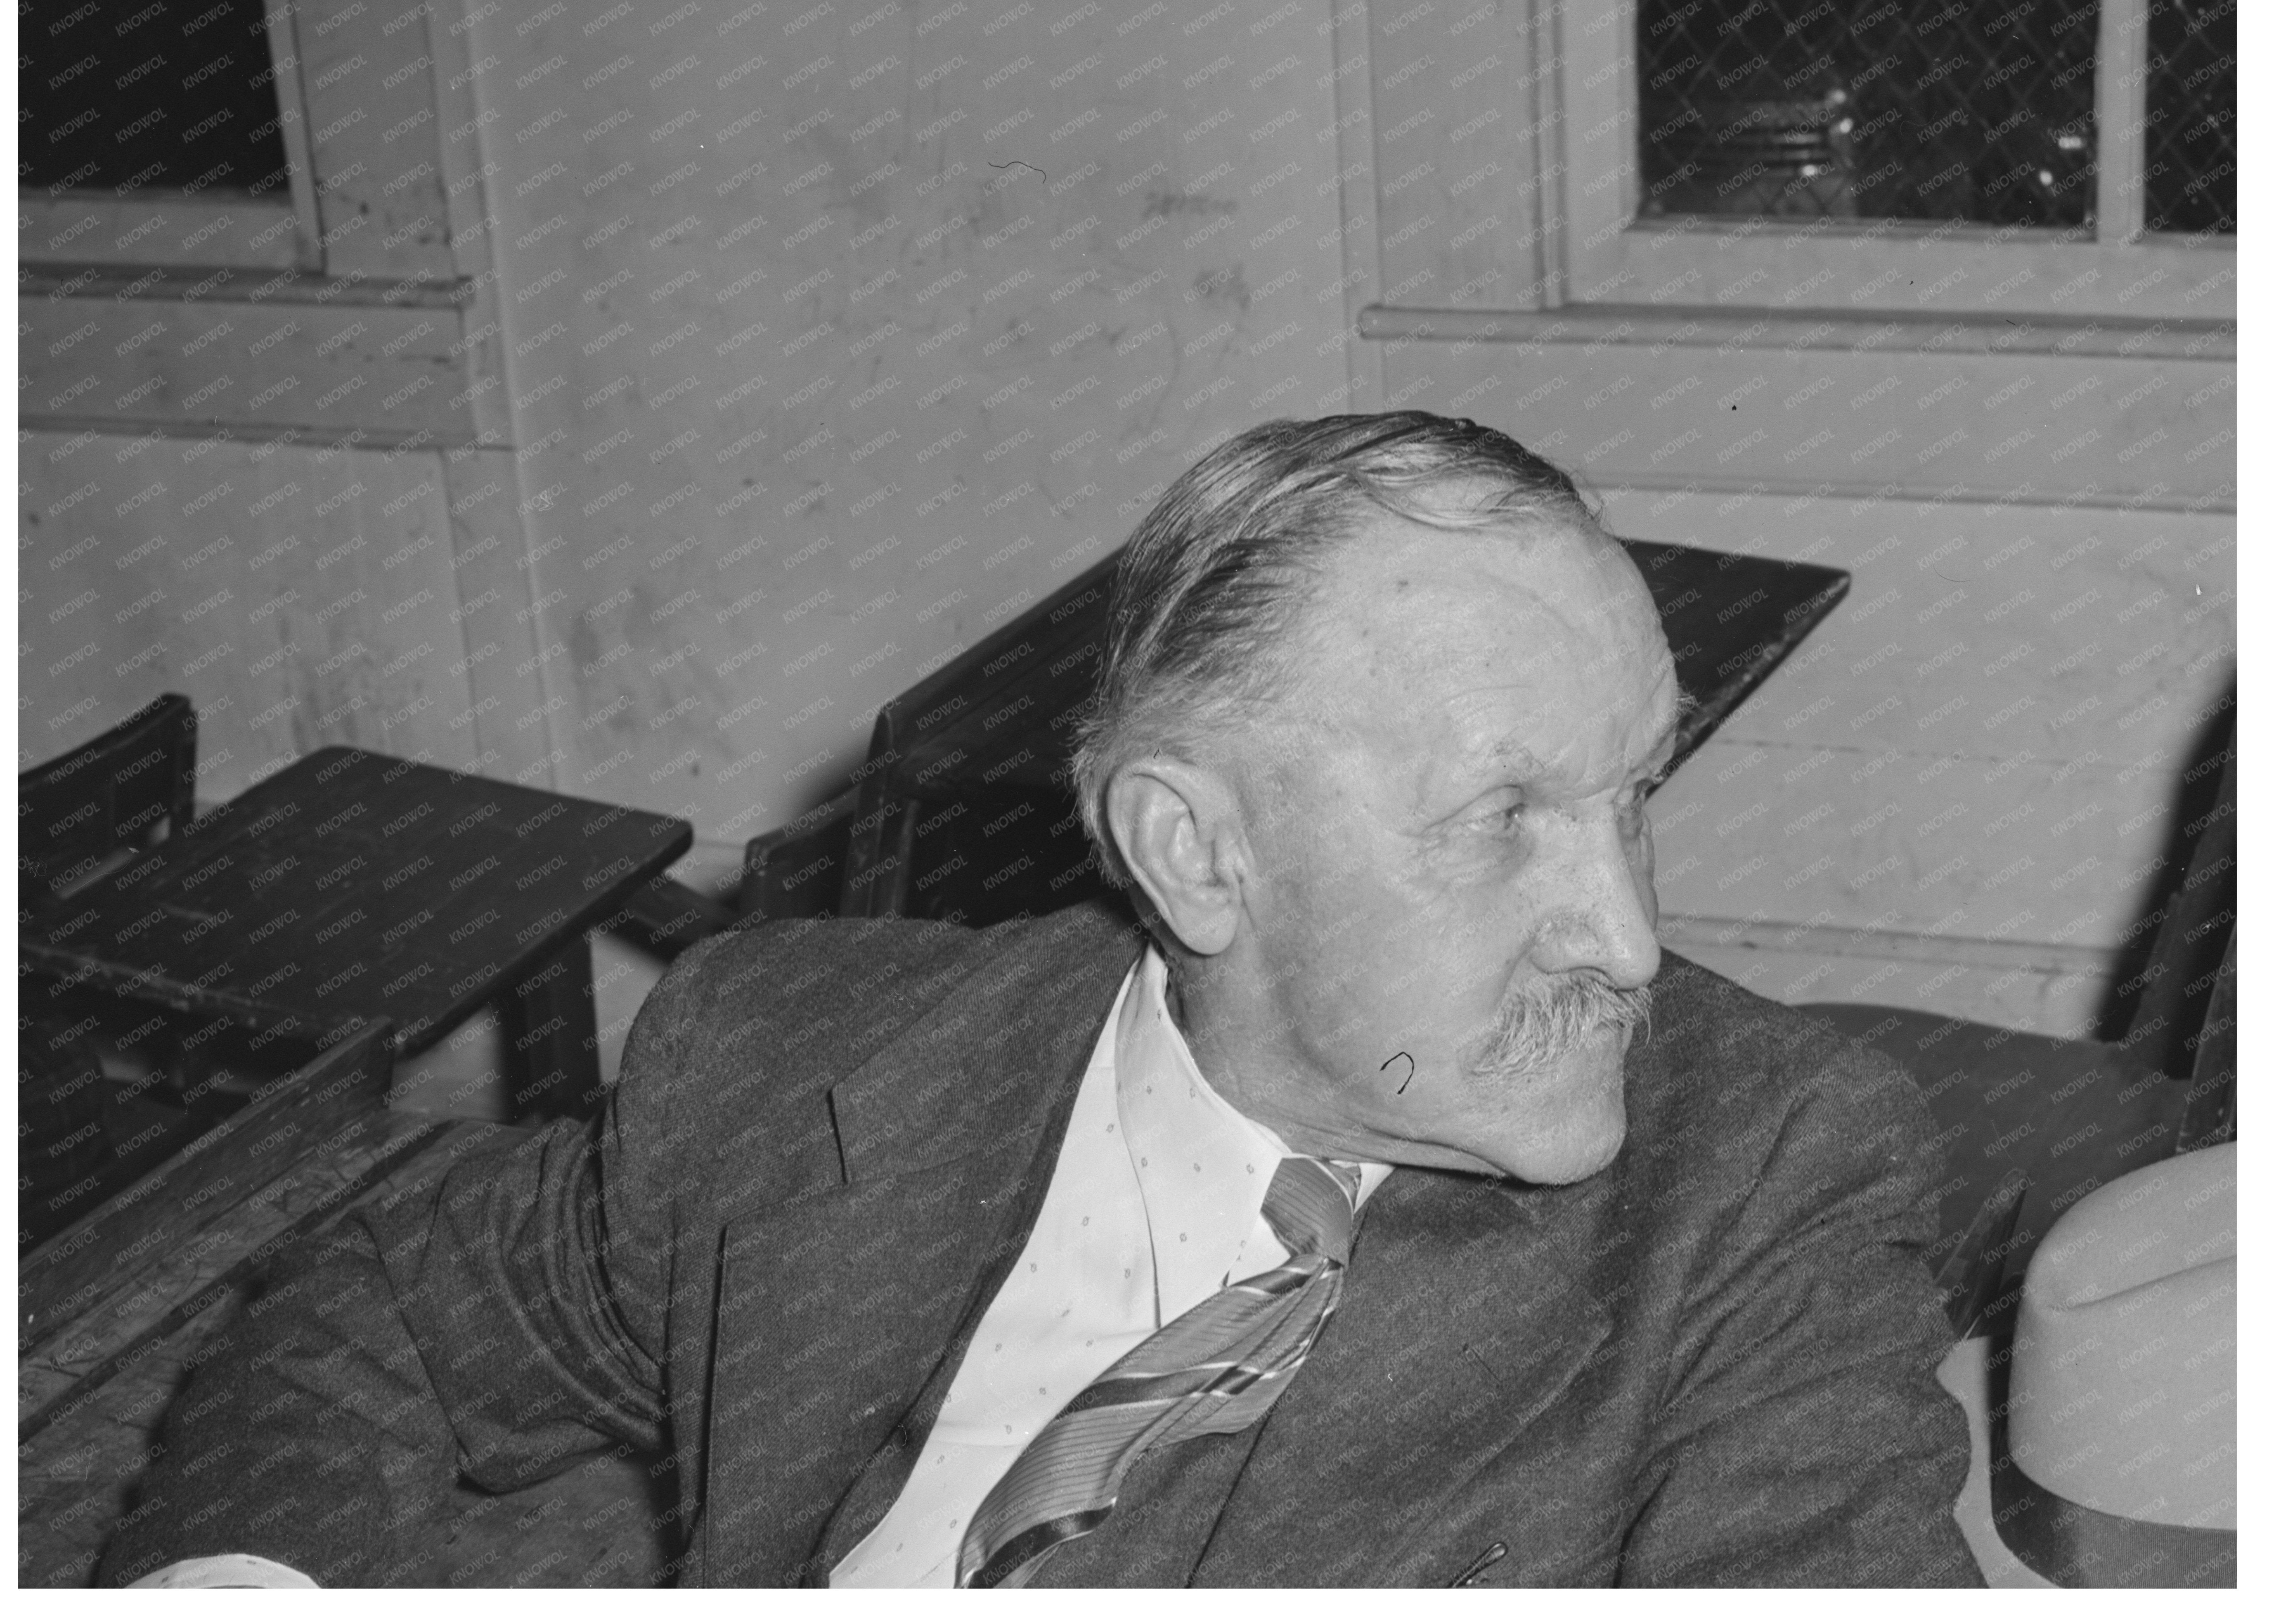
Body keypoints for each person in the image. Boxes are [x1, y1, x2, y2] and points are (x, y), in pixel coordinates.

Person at [102, 412, 1976, 1587]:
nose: (1632, 936)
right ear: (1198, 854)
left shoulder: (1763, 1176)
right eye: (1509, 821)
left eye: (1636, 793)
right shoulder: (799, 1059)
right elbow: (381, 1304)